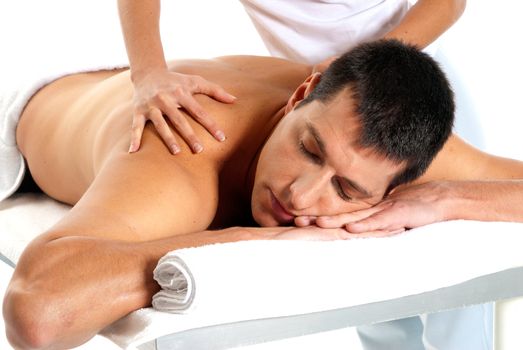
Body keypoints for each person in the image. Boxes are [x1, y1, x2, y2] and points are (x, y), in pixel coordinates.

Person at [3, 40, 522, 350]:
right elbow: (38, 316)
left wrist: (449, 198)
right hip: (33, 120)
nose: (299, 197)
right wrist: (252, 241)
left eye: (345, 190)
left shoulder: (386, 142)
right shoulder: (182, 160)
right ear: (301, 95)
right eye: (309, 149)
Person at [117, 0, 467, 155]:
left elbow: (449, 2)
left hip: (411, 71)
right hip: (314, 97)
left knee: (460, 239)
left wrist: (360, 65)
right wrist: (148, 73)